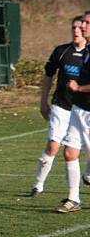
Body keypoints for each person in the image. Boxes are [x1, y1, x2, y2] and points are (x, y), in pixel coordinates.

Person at [29, 16, 86, 198]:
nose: (76, 31)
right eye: (73, 27)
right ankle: (38, 185)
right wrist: (43, 102)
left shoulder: (87, 55)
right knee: (54, 146)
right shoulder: (61, 51)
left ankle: (84, 179)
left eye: (80, 27)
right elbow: (48, 77)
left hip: (83, 109)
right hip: (61, 106)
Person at [56, 11, 90, 213]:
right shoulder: (86, 50)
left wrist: (78, 88)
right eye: (83, 23)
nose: (83, 26)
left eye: (87, 23)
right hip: (78, 109)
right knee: (69, 153)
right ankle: (73, 198)